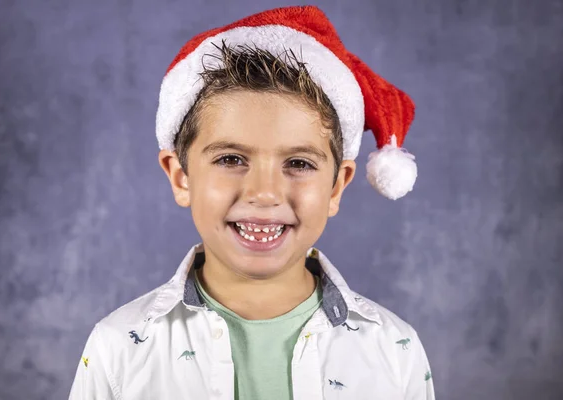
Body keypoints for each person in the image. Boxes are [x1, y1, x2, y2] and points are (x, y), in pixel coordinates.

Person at [69, 5, 434, 399]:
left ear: (336, 187)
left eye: (298, 163)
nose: (264, 193)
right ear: (181, 177)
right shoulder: (118, 347)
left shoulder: (395, 351)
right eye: (231, 159)